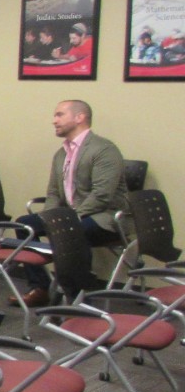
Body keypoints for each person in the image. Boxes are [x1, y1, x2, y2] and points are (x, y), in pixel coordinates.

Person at [12, 100, 128, 306]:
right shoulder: (61, 154)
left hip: (104, 217)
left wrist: (68, 219)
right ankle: (39, 287)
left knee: (71, 231)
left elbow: (102, 195)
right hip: (71, 216)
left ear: (79, 117)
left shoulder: (104, 149)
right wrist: (50, 217)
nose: (53, 120)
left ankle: (77, 299)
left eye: (59, 115)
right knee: (24, 224)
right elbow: (54, 193)